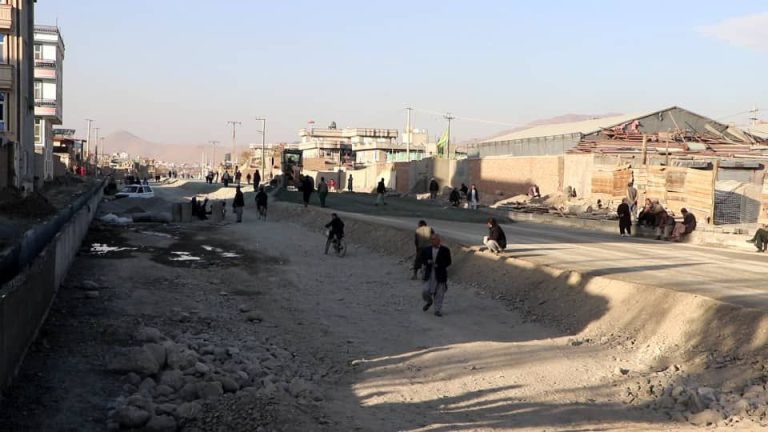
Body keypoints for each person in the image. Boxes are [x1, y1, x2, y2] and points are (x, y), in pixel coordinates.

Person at [421, 233, 452, 317]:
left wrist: (439, 265)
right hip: (429, 273)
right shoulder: (426, 249)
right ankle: (429, 301)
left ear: (439, 240)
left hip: (440, 274)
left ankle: (437, 310)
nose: (432, 241)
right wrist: (427, 262)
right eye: (431, 239)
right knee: (425, 291)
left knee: (439, 293)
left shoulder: (445, 250)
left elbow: (448, 262)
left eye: (434, 239)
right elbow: (422, 259)